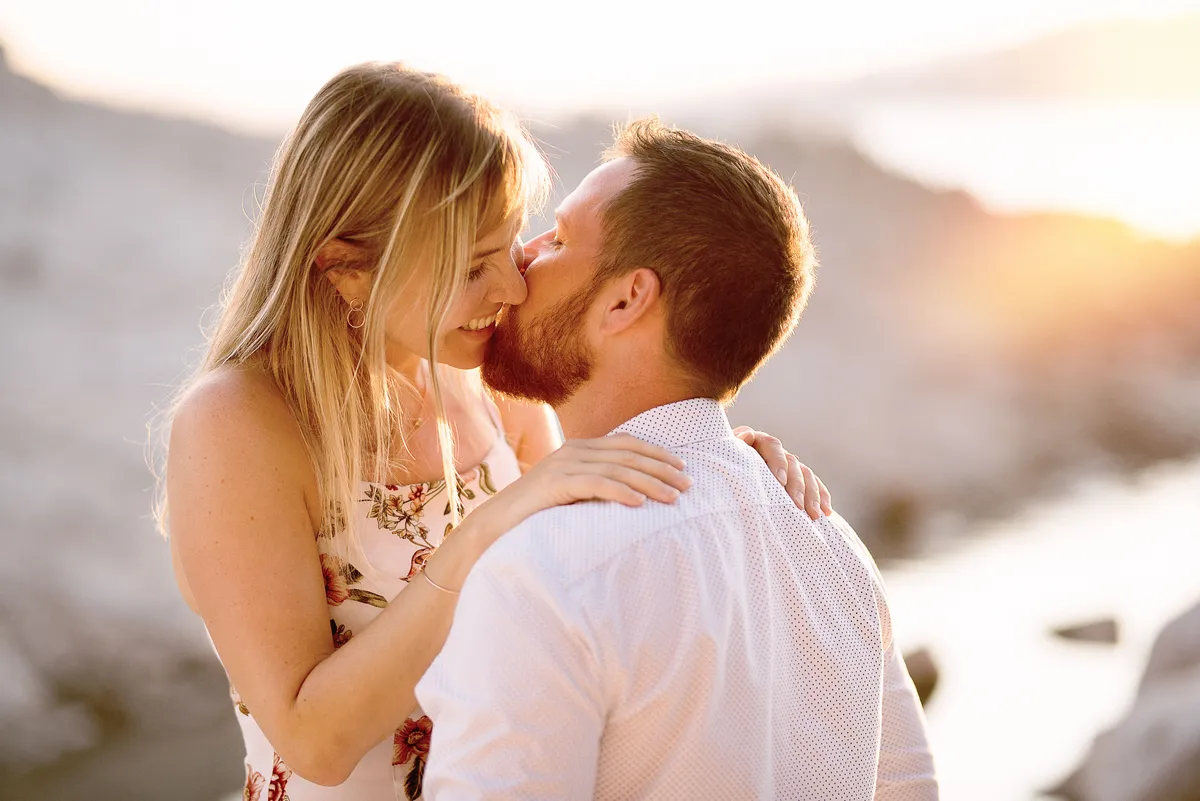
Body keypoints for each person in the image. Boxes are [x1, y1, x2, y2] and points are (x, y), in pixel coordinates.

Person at [155, 64, 831, 801]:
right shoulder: (235, 424)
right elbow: (314, 740)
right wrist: (482, 534)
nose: (511, 288)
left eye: (509, 245)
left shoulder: (488, 386)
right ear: (346, 269)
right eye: (472, 267)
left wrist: (721, 459)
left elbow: (601, 551)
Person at [415, 119, 939, 799]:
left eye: (561, 238)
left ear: (627, 299)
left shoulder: (544, 572)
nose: (523, 257)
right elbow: (909, 786)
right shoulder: (834, 548)